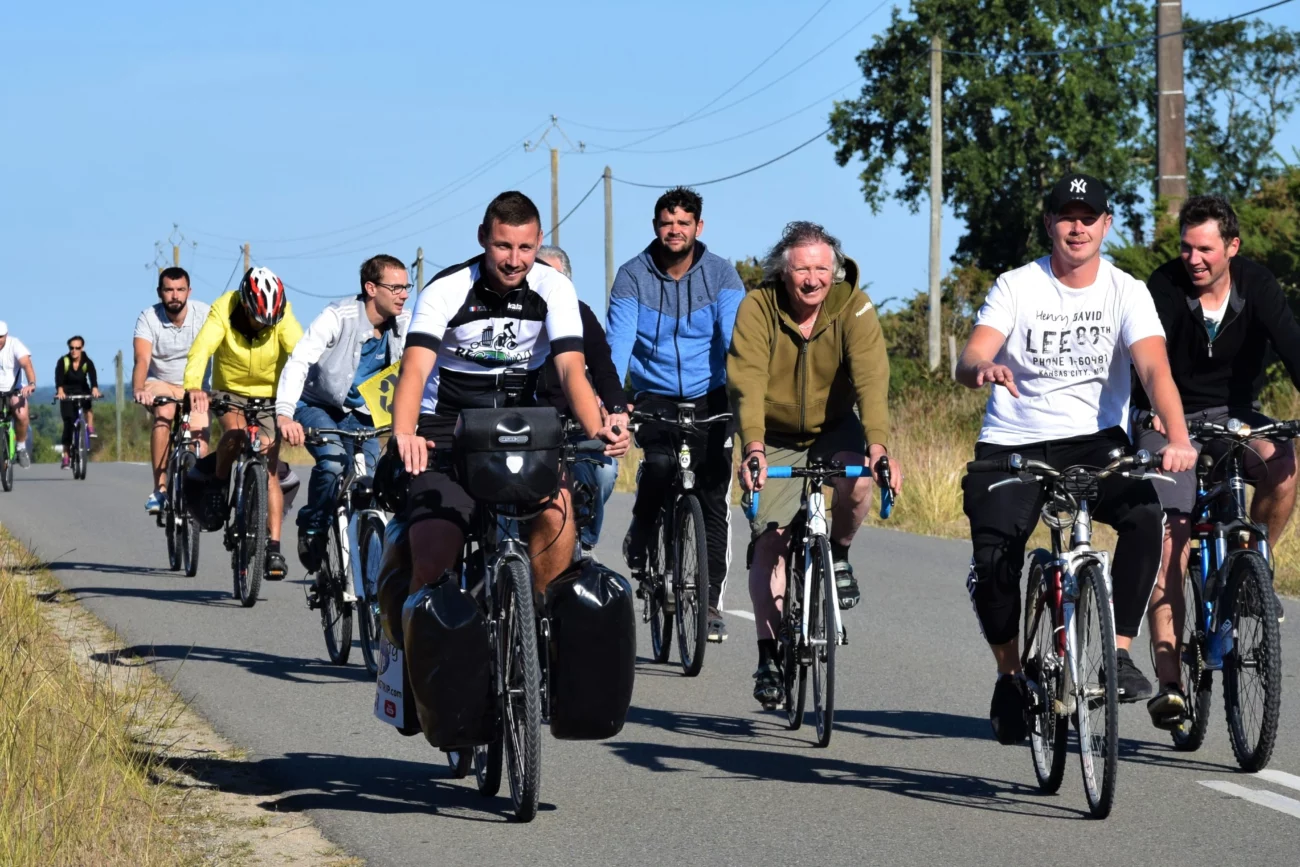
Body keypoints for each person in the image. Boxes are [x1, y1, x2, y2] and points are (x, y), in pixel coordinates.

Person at [956, 172, 1197, 744]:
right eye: (1067, 216)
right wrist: (982, 367)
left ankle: (1117, 654)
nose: (1078, 227)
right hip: (1014, 440)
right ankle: (1010, 674)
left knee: (1146, 516)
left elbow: (1154, 370)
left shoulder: (1126, 291)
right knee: (994, 561)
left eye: (1089, 218)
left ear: (1106, 225)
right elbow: (971, 356)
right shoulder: (1017, 286)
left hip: (1094, 440)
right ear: (1049, 224)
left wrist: (1179, 438)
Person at [390, 191, 629, 599]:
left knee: (558, 516)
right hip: (448, 426)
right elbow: (413, 370)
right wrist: (404, 433)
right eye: (503, 246)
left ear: (539, 242)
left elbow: (571, 369)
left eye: (525, 248)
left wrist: (598, 429)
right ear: (483, 237)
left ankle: (540, 616)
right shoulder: (446, 289)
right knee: (433, 559)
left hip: (521, 422)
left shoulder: (554, 287)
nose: (514, 260)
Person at [1134, 194, 1300, 727]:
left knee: (1284, 464)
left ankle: (1252, 566)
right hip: (1169, 419)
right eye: (1186, 247)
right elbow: (1145, 361)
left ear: (1232, 247)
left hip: (1236, 416)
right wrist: (1156, 416)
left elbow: (1293, 347)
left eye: (1205, 249)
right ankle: (1170, 684)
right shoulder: (1164, 286)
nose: (1194, 259)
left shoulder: (1257, 286)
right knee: (1173, 537)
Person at [728, 221, 902, 708]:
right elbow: (747, 381)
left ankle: (839, 553)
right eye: (802, 270)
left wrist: (878, 447)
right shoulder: (758, 307)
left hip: (834, 427)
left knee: (859, 481)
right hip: (774, 434)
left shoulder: (854, 307)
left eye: (822, 269)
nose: (813, 279)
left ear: (836, 270)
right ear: (783, 272)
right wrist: (754, 447)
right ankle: (768, 658)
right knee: (771, 542)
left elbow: (871, 380)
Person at [607, 186, 744, 642]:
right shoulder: (632, 275)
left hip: (711, 396)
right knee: (662, 465)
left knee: (712, 496)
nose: (675, 230)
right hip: (655, 395)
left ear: (698, 227)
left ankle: (709, 603)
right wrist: (614, 402)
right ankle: (642, 529)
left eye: (684, 223)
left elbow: (736, 339)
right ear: (655, 226)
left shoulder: (721, 274)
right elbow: (618, 344)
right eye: (667, 223)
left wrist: (745, 394)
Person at [276, 253, 411, 583]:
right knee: (334, 463)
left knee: (374, 482)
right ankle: (314, 524)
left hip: (361, 414)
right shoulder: (338, 316)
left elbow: (423, 369)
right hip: (317, 405)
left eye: (406, 287)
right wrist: (284, 414)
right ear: (371, 288)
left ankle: (371, 572)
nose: (404, 295)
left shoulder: (404, 324)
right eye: (395, 288)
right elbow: (299, 361)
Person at [185, 267, 303, 581]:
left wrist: (309, 393)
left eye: (269, 322)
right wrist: (194, 386)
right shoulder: (223, 308)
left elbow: (301, 352)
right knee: (236, 434)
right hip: (230, 392)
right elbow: (202, 349)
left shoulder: (282, 315)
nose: (263, 325)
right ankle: (219, 481)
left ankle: (273, 548)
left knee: (270, 468)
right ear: (246, 305)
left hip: (270, 396)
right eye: (257, 318)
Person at [534, 244, 628, 556]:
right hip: (533, 424)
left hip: (576, 424)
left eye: (554, 278)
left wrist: (617, 409)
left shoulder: (581, 314)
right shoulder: (520, 316)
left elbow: (603, 367)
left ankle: (585, 542)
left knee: (604, 472)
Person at [133, 266, 212, 513]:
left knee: (200, 440)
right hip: (161, 383)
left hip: (196, 387)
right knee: (165, 412)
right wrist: (139, 388)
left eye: (180, 289)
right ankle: (160, 490)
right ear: (160, 292)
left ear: (189, 291)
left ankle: (196, 494)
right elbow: (142, 359)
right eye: (169, 290)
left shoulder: (205, 314)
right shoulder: (149, 318)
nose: (175, 295)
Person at [53, 336, 102, 469]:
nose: (74, 351)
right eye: (72, 348)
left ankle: (90, 427)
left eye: (77, 348)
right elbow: (59, 378)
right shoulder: (64, 361)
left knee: (88, 408)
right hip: (67, 392)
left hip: (82, 389)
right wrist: (60, 391)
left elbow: (92, 376)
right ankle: (66, 455)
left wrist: (95, 388)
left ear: (82, 348)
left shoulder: (87, 362)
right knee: (68, 423)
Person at [0, 321, 36, 467]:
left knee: (21, 415)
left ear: (6, 335)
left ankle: (21, 447)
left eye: (1, 337)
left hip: (13, 390)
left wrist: (31, 383)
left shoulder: (14, 344)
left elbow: (26, 364)